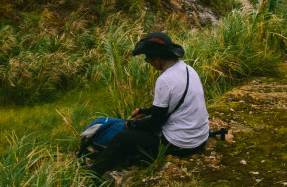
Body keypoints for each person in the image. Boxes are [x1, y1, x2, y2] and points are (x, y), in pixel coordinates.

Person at [87, 32, 209, 178]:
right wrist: (145, 111)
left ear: (158, 58)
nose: (149, 62)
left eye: (149, 58)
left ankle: (92, 176)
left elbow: (155, 124)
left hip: (182, 144)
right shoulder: (188, 69)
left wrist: (131, 125)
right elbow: (173, 105)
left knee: (122, 138)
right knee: (135, 132)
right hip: (200, 137)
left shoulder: (165, 80)